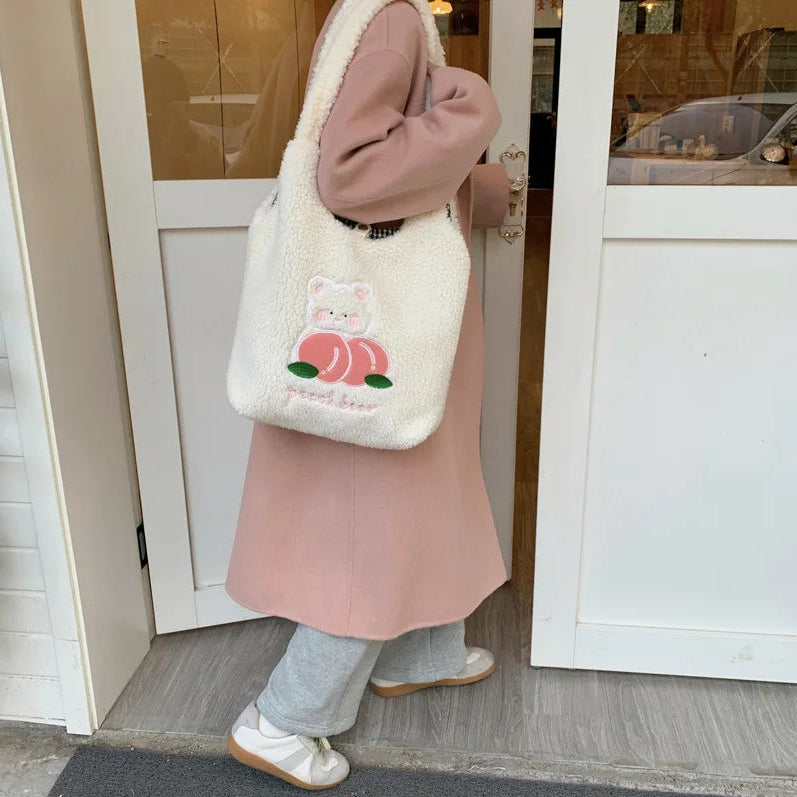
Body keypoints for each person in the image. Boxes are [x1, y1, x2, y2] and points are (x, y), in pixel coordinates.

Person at [225, 0, 512, 789]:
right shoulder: (388, 17)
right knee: (376, 527)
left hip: (405, 332)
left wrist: (476, 184)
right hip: (388, 332)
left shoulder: (381, 14)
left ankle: (423, 650)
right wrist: (473, 110)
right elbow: (352, 172)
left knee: (424, 494)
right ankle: (282, 719)